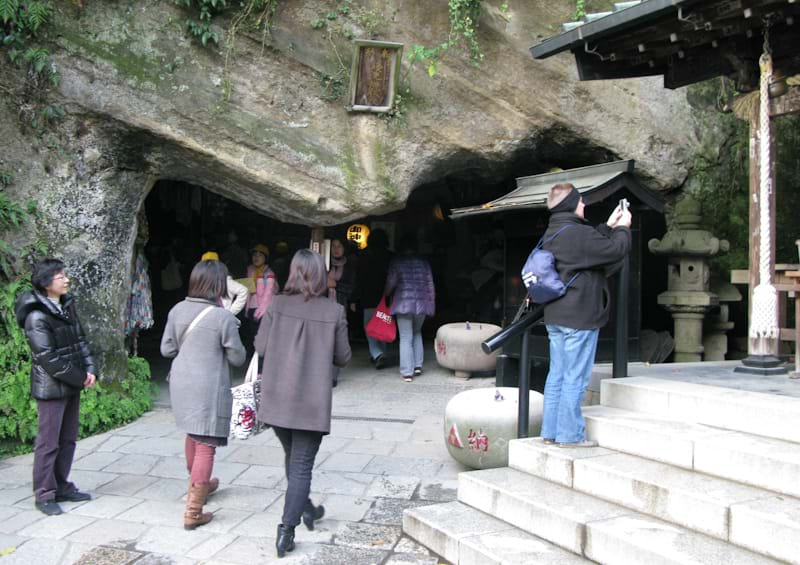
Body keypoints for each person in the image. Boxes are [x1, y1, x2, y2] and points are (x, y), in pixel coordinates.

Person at [254, 249, 351, 558]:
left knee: (293, 458)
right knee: (300, 465)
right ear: (322, 277)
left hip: (277, 400)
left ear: (293, 273)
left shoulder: (277, 304)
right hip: (311, 403)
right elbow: (344, 357)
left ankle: (306, 507)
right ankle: (286, 531)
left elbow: (260, 346)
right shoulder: (333, 311)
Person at [540, 183, 631, 448]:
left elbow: (588, 249)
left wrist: (608, 225)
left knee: (556, 375)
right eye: (580, 201)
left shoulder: (554, 232)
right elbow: (614, 251)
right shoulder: (577, 234)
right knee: (575, 378)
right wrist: (624, 227)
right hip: (579, 316)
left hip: (556, 315)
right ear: (570, 204)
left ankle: (550, 432)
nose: (583, 205)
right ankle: (570, 436)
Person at [161, 260, 246, 529]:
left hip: (181, 383)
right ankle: (194, 510)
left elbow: (166, 349)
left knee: (192, 432)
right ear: (218, 285)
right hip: (208, 386)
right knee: (206, 443)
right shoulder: (223, 317)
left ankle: (201, 484)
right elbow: (237, 357)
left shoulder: (177, 310)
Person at [14, 259, 97, 516]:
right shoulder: (36, 316)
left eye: (65, 274)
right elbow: (47, 357)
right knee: (48, 442)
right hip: (52, 387)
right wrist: (79, 376)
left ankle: (62, 485)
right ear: (45, 282)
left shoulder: (66, 306)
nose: (66, 279)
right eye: (60, 276)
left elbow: (80, 339)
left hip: (72, 381)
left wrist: (91, 369)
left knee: (68, 439)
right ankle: (44, 493)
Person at [384, 235, 435, 382]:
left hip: (403, 304)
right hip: (422, 304)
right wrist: (431, 305)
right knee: (417, 332)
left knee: (406, 337)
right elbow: (430, 284)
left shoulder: (397, 262)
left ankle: (407, 372)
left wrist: (386, 295)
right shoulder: (424, 262)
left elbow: (391, 283)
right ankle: (418, 366)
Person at [350, 228, 392, 368]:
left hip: (367, 296)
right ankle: (383, 353)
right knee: (383, 325)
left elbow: (358, 279)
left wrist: (354, 299)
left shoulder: (363, 256)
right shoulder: (390, 256)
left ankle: (376, 353)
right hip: (385, 298)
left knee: (370, 327)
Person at [242, 243, 278, 356]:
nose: (256, 257)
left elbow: (268, 296)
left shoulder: (269, 274)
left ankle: (260, 366)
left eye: (260, 255)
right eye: (254, 255)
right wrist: (247, 310)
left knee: (260, 339)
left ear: (265, 258)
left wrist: (260, 313)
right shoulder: (250, 271)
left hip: (262, 311)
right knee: (252, 337)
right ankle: (253, 364)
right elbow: (247, 291)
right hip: (251, 309)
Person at [201, 251, 248, 316]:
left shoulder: (225, 280)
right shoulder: (202, 281)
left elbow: (243, 290)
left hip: (221, 320)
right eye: (206, 265)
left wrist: (231, 312)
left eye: (212, 264)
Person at [327, 238, 355, 309]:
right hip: (323, 305)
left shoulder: (349, 266)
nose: (336, 249)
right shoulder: (325, 263)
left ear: (344, 249)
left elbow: (352, 289)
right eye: (333, 246)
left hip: (341, 304)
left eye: (339, 246)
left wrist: (336, 285)